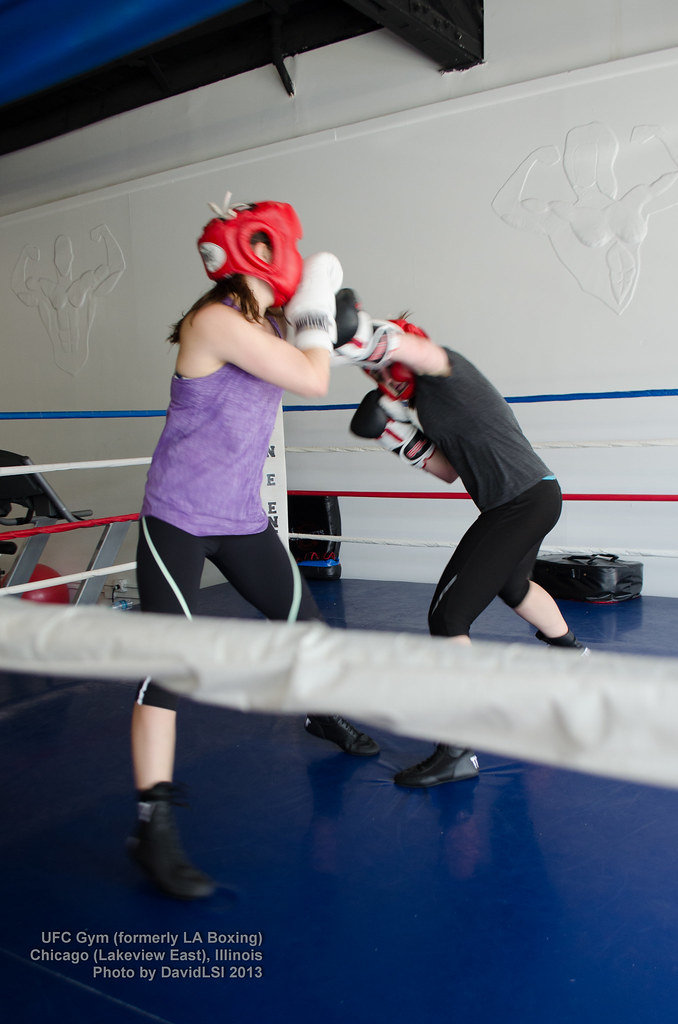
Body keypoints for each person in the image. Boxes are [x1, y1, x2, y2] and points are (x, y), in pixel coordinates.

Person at [128, 196, 378, 901]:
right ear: (257, 254)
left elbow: (318, 347)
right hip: (177, 516)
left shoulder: (267, 322)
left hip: (238, 517)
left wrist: (337, 319)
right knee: (168, 668)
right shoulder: (213, 321)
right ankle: (152, 828)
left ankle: (320, 708)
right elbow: (311, 376)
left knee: (308, 629)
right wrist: (322, 303)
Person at [335, 294, 587, 789]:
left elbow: (424, 353)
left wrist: (366, 335)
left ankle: (458, 749)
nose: (384, 377)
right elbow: (451, 472)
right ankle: (572, 659)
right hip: (526, 500)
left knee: (448, 617)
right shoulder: (425, 407)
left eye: (384, 364)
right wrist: (398, 439)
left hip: (521, 502)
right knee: (514, 588)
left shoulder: (445, 369)